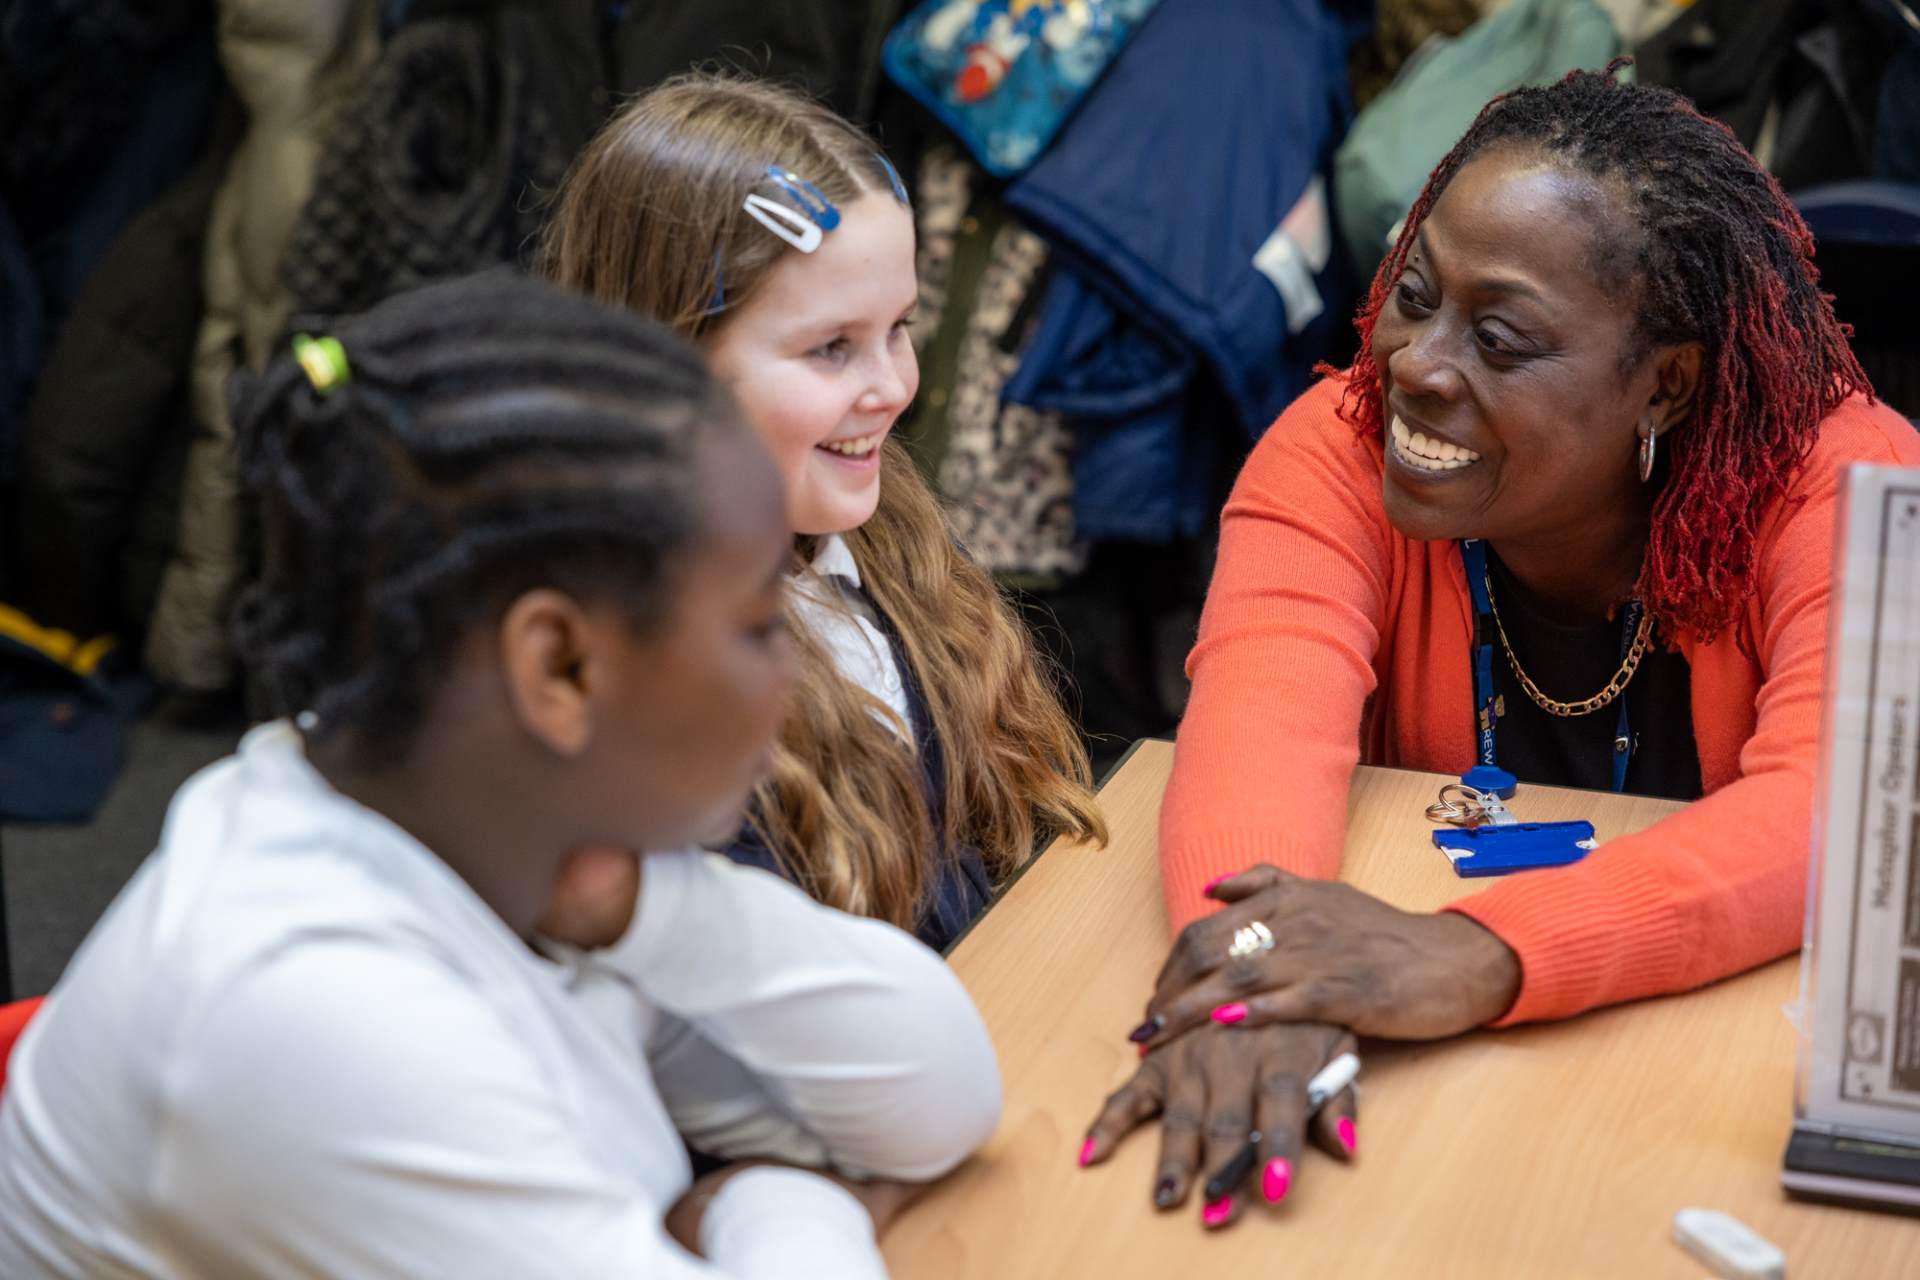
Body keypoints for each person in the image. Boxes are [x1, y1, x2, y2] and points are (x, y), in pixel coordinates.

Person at [0, 275, 1002, 1277]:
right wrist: (775, 1198)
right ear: (559, 666)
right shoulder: (319, 1010)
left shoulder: (500, 833)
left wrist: (653, 914)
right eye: (755, 623)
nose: (790, 672)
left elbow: (942, 1101)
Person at [1079, 66, 1920, 1228]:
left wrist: (1475, 955)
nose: (1417, 363)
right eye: (1415, 294)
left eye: (1502, 337)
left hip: (1704, 1088)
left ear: (1666, 386)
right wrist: (1253, 980)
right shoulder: (1338, 448)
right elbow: (1255, 735)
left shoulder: (1846, 482)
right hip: (1429, 1111)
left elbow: (1829, 816)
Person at [541, 74, 1106, 951]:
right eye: (831, 348)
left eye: (900, 328)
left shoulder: (891, 545)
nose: (893, 388)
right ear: (665, 363)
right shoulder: (638, 684)